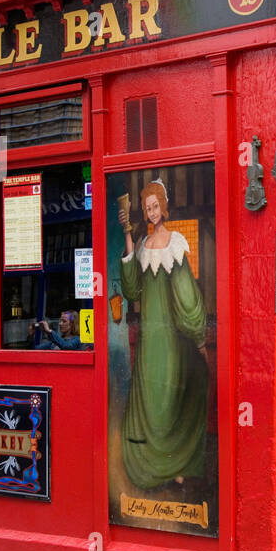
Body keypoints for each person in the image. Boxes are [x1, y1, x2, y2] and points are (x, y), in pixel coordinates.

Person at [117, 180, 208, 488]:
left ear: (163, 207)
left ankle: (175, 465)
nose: (152, 212)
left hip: (169, 337)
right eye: (147, 208)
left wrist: (197, 333)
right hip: (148, 339)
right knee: (153, 398)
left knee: (168, 396)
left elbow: (186, 294)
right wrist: (128, 235)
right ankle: (158, 467)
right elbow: (131, 290)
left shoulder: (176, 242)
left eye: (155, 206)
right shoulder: (142, 245)